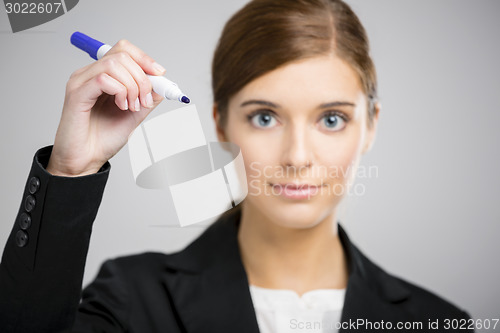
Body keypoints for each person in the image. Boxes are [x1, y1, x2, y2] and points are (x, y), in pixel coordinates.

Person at [0, 0, 473, 332]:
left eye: (332, 118)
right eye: (264, 117)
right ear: (222, 125)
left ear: (369, 126)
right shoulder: (132, 302)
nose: (297, 156)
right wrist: (70, 170)